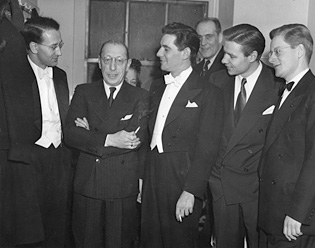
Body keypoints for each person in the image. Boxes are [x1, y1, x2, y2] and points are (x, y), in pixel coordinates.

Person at [141, 22, 224, 248]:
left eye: (166, 49)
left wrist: (190, 191)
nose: (159, 53)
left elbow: (207, 148)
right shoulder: (157, 87)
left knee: (178, 240)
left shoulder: (209, 93)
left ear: (186, 53)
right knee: (150, 239)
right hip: (153, 175)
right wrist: (142, 178)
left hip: (182, 179)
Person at [64, 40, 149, 248]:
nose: (113, 67)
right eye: (107, 60)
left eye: (119, 61)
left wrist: (90, 134)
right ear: (99, 63)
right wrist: (110, 138)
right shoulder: (83, 91)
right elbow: (70, 135)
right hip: (87, 185)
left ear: (127, 64)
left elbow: (133, 140)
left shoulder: (141, 96)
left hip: (121, 188)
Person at [2, 16, 74, 247]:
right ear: (33, 47)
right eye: (53, 47)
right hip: (26, 162)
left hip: (58, 160)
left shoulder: (60, 76)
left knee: (57, 226)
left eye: (59, 45)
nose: (59, 53)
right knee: (27, 231)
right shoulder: (10, 76)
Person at [208, 24, 282, 248]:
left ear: (252, 56)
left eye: (231, 55)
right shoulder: (216, 82)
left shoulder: (278, 85)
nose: (223, 60)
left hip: (258, 190)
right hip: (222, 186)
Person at [258, 23, 315, 248]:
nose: (271, 59)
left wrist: (298, 213)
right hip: (272, 213)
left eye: (277, 51)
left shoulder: (312, 92)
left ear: (299, 51)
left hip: (293, 221)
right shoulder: (283, 89)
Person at [194, 17, 225, 84]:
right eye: (199, 37)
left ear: (220, 37)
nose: (203, 43)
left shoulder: (228, 66)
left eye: (208, 37)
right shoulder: (195, 69)